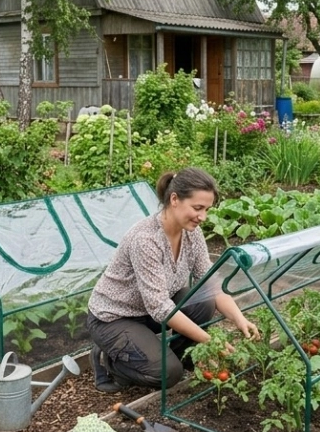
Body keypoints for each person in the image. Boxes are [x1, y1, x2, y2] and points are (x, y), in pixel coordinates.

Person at [85, 167, 259, 393]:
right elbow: (160, 308)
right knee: (168, 374)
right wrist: (211, 342)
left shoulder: (192, 233)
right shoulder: (146, 240)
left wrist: (240, 319)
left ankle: (170, 354)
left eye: (206, 209)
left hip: (149, 311)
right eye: (197, 208)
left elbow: (211, 284)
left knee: (203, 301)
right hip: (115, 318)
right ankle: (109, 362)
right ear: (174, 199)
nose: (203, 217)